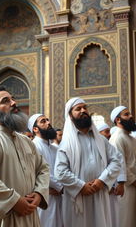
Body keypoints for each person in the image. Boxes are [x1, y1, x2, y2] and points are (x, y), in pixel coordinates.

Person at [0, 86, 50, 227]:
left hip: (30, 216)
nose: (14, 103)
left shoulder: (26, 140)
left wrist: (39, 194)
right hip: (4, 218)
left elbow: (43, 168)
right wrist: (14, 202)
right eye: (5, 101)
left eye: (13, 99)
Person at [54, 97, 121, 227]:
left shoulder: (101, 140)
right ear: (70, 116)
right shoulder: (66, 143)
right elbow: (60, 172)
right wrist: (81, 186)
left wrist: (101, 180)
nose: (83, 110)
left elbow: (116, 160)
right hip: (78, 197)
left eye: (85, 107)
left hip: (99, 195)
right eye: (78, 109)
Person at [28, 114, 63, 227]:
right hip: (44, 196)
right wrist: (61, 187)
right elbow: (41, 172)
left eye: (48, 120)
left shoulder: (55, 148)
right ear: (35, 129)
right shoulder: (34, 146)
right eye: (43, 121)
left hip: (59, 196)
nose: (48, 123)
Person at [109, 106, 136, 227]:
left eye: (130, 114)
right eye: (126, 114)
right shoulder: (117, 138)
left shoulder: (131, 138)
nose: (131, 116)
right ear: (118, 120)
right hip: (125, 186)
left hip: (133, 184)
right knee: (125, 220)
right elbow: (120, 164)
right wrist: (134, 181)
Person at [96, 121, 126, 227]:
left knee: (114, 219)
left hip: (113, 192)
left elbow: (119, 162)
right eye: (106, 132)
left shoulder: (110, 146)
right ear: (99, 133)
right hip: (99, 190)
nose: (109, 134)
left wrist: (119, 183)